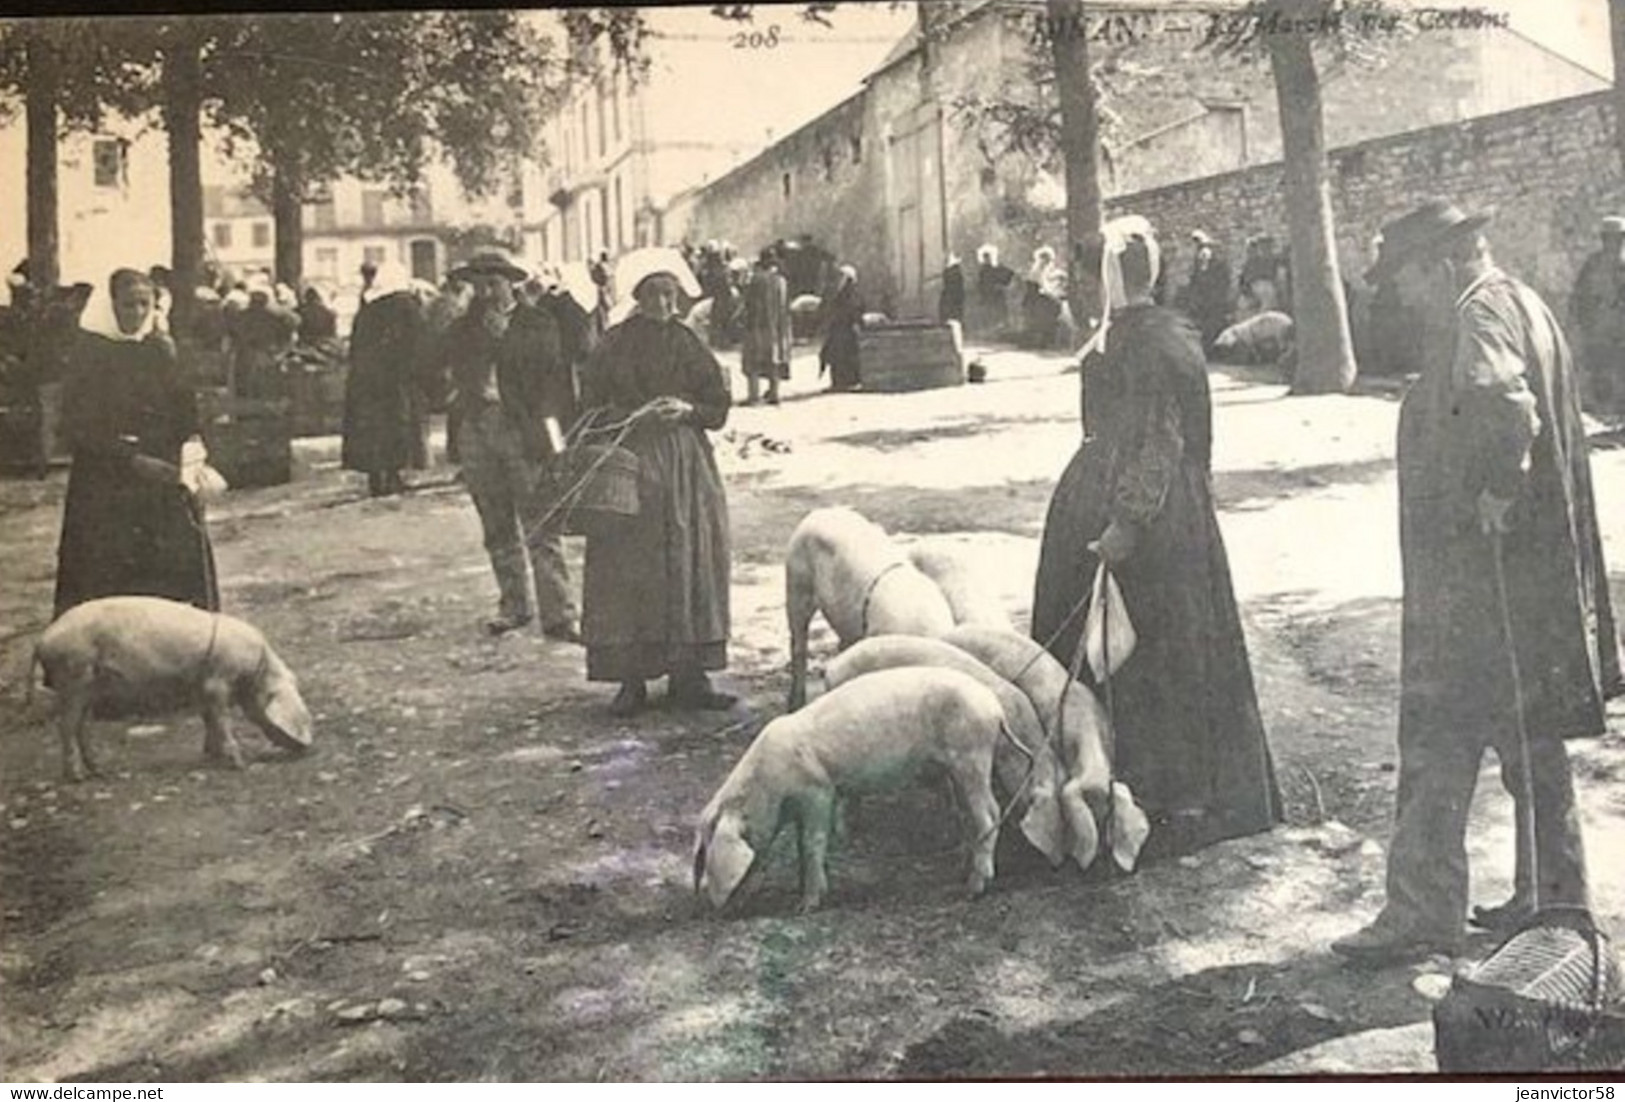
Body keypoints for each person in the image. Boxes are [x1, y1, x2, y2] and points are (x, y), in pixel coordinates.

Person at [1331, 200, 1622, 965]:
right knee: (1529, 738)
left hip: (1476, 578)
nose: (1399, 297)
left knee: (1435, 733)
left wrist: (1493, 487)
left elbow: (1502, 403)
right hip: (1528, 581)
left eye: (1404, 280)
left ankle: (1421, 910)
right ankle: (1551, 903)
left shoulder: (1477, 312)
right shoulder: (1523, 298)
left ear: (1441, 263)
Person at [1030, 216, 1281, 860]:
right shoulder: (1144, 334)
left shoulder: (1149, 343)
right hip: (1158, 507)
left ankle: (1168, 788)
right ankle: (1109, 773)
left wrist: (1126, 522)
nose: (1086, 293)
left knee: (1155, 647)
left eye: (1090, 280)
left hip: (1152, 518)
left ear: (1109, 279)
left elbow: (1164, 438)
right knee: (1127, 648)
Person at [577, 248, 734, 716]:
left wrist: (688, 411)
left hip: (686, 468)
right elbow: (589, 406)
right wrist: (630, 416)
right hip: (630, 464)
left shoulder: (688, 343)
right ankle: (631, 679)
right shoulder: (613, 344)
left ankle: (691, 676)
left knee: (689, 563)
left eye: (670, 295)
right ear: (638, 297)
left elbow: (717, 405)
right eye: (654, 294)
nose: (664, 304)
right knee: (628, 569)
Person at [54, 268, 219, 619]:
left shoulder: (161, 348)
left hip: (160, 479)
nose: (138, 313)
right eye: (129, 305)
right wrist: (130, 458)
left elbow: (184, 408)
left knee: (169, 572)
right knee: (107, 575)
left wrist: (192, 446)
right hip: (106, 482)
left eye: (145, 304)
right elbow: (75, 426)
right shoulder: (90, 353)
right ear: (110, 306)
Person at [437, 251, 580, 641]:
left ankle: (560, 613)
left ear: (510, 284)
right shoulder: (466, 327)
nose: (486, 292)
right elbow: (439, 360)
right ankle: (514, 605)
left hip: (522, 429)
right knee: (496, 523)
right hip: (477, 426)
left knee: (541, 522)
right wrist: (477, 338)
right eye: (478, 285)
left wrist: (503, 340)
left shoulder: (536, 322)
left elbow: (549, 373)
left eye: (493, 284)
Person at [342, 262, 429, 498]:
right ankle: (393, 475)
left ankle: (375, 477)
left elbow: (356, 346)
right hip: (396, 377)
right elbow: (419, 342)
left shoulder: (367, 309)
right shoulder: (407, 306)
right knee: (396, 424)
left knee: (371, 427)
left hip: (366, 379)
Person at [1569, 215, 1625, 418]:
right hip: (1598, 333)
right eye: (1609, 238)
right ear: (1603, 239)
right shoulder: (1593, 264)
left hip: (1620, 333)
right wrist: (1585, 323)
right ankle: (1606, 414)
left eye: (1618, 238)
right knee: (1600, 372)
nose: (1614, 242)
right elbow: (1579, 295)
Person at [225, 274, 298, 400]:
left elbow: (232, 337)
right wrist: (279, 353)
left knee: (245, 390)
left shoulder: (241, 317)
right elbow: (288, 335)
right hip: (267, 357)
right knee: (266, 390)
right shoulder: (275, 317)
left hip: (246, 358)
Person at [740, 248, 792, 406]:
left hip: (757, 325)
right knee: (774, 359)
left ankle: (753, 396)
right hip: (778, 327)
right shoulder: (781, 281)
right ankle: (774, 394)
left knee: (753, 360)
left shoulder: (756, 280)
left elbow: (749, 303)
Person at [1175, 230, 1234, 353]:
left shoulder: (1219, 263)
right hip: (1202, 300)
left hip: (1214, 300)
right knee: (1201, 324)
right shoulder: (1198, 263)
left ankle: (1214, 350)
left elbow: (1222, 281)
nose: (1201, 250)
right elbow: (1196, 280)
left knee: (1213, 324)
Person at [819, 264, 864, 392]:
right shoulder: (839, 291)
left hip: (847, 329)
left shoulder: (851, 292)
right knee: (835, 356)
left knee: (846, 356)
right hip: (838, 329)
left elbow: (855, 309)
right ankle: (839, 382)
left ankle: (849, 382)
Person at [939, 252, 966, 326]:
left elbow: (951, 283)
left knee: (952, 315)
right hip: (954, 295)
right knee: (955, 315)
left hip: (952, 295)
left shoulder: (953, 271)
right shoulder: (954, 270)